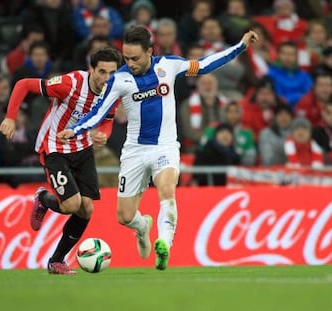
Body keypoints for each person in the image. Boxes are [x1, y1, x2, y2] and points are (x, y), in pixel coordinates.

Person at [57, 26, 259, 270]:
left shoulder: (169, 65)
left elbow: (204, 65)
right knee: (125, 217)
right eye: (126, 58)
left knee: (166, 189)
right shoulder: (119, 80)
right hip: (134, 151)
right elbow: (97, 113)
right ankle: (143, 227)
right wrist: (76, 129)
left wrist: (241, 45)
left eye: (135, 58)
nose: (130, 63)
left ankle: (164, 244)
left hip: (165, 147)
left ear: (150, 51)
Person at [0, 47, 122, 275]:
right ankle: (44, 199)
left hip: (83, 149)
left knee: (86, 209)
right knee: (72, 205)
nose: (106, 78)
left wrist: (103, 133)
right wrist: (10, 117)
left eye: (111, 73)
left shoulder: (114, 90)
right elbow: (24, 84)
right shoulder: (71, 83)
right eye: (102, 72)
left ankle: (57, 261)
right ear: (91, 69)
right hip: (55, 148)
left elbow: (108, 119)